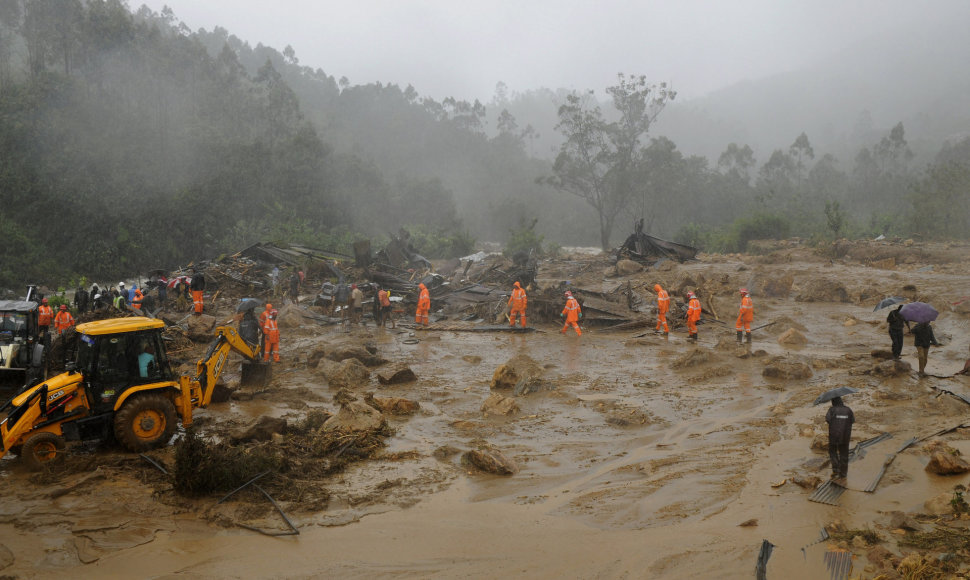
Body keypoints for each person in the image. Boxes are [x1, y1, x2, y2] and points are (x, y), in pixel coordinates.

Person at [825, 396, 854, 487]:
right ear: (841, 401)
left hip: (834, 435)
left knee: (833, 452)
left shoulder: (832, 410)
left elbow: (828, 419)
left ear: (833, 402)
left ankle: (836, 470)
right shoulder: (848, 410)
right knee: (844, 454)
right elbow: (852, 420)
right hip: (845, 435)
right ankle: (843, 474)